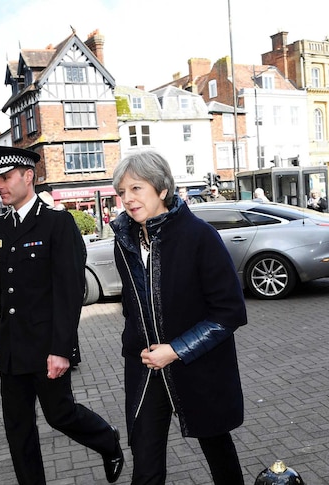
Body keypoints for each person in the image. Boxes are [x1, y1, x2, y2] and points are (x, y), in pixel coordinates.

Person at [0, 146, 123, 485]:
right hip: (12, 347)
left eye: (5, 178)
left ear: (27, 176)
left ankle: (108, 441)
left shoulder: (57, 223)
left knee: (60, 415)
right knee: (17, 428)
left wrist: (62, 348)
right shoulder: (0, 227)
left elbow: (69, 292)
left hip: (46, 345)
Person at [111, 150, 247, 484]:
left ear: (161, 189)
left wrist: (174, 350)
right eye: (122, 192)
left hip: (195, 364)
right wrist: (137, 345)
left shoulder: (199, 236)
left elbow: (230, 311)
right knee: (145, 460)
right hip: (145, 368)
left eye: (136, 189)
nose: (127, 199)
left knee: (218, 452)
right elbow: (133, 307)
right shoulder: (124, 241)